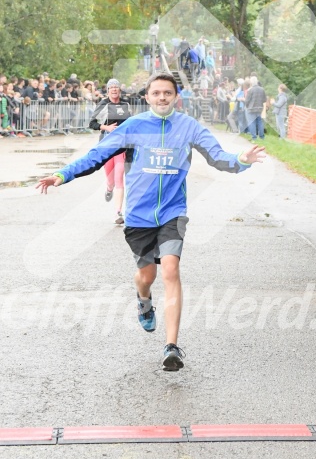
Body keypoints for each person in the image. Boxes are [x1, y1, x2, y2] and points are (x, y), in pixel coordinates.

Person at [36, 72, 266, 371]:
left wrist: (243, 159)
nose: (162, 97)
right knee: (147, 276)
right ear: (147, 97)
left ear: (175, 97)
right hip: (139, 217)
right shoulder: (134, 126)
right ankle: (143, 299)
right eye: (156, 93)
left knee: (170, 268)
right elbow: (96, 156)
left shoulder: (188, 126)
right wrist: (61, 175)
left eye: (167, 93)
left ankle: (172, 347)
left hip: (173, 212)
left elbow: (218, 157)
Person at [89, 78, 132, 225]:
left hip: (121, 147)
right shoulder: (103, 104)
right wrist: (106, 128)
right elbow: (92, 123)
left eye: (116, 87)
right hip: (106, 146)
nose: (114, 89)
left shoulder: (125, 104)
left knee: (120, 178)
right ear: (107, 90)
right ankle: (109, 188)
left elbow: (131, 123)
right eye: (111, 87)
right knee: (111, 179)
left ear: (119, 90)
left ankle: (118, 212)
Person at [245, 76, 267, 141]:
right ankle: (262, 137)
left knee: (252, 123)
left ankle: (254, 137)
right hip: (259, 108)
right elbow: (264, 100)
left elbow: (247, 100)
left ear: (251, 82)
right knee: (260, 122)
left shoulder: (250, 90)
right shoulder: (262, 89)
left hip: (251, 109)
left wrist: (247, 106)